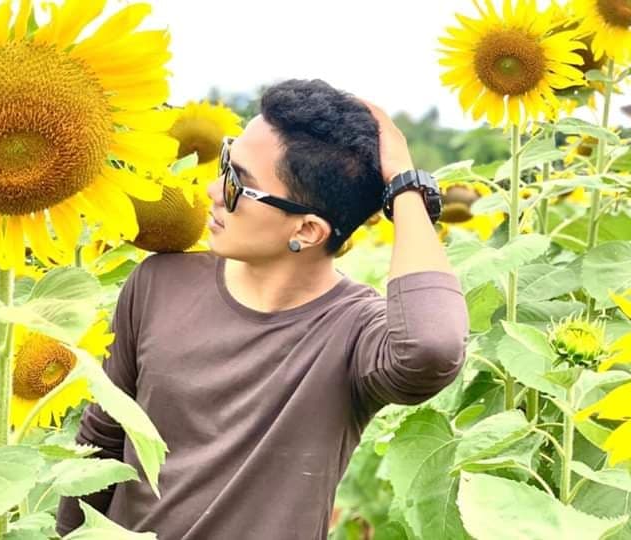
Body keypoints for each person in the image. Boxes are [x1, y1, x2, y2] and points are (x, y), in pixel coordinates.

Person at [55, 79, 470, 539]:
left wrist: (406, 186)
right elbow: (102, 443)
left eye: (238, 184)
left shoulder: (354, 332)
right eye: (225, 164)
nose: (213, 191)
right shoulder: (159, 283)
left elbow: (432, 347)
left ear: (307, 231)